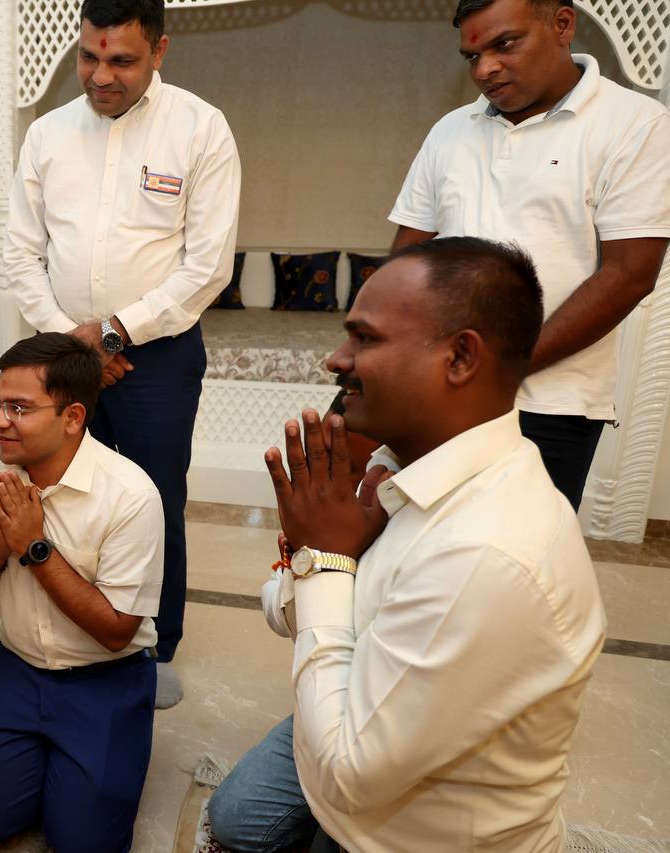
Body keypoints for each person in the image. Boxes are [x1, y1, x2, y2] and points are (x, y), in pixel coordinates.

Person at [208, 237, 605, 851]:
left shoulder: (484, 553)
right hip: (368, 717)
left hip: (417, 830)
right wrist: (322, 558)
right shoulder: (401, 473)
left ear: (460, 357)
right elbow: (281, 611)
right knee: (234, 818)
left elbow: (348, 778)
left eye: (365, 338)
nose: (336, 360)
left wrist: (326, 563)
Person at [4, 0, 242, 707]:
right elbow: (21, 255)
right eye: (89, 57)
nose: (101, 76)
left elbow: (207, 265)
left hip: (156, 358)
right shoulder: (47, 134)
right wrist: (72, 340)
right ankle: (65, 620)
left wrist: (114, 332)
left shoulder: (200, 128)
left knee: (152, 497)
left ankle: (153, 645)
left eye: (122, 61)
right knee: (60, 487)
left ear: (159, 51)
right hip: (62, 351)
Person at [389, 0, 670, 510]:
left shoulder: (637, 125)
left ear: (562, 25)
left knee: (516, 551)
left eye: (505, 44)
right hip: (435, 388)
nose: (484, 69)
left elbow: (629, 274)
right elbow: (407, 258)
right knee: (408, 541)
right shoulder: (451, 130)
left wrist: (496, 369)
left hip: (552, 405)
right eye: (471, 56)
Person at [0, 333, 164, 853]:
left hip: (106, 678)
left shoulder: (131, 495)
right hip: (16, 667)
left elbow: (116, 631)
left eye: (19, 408)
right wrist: (1, 543)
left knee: (83, 843)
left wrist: (33, 547)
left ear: (73, 417)